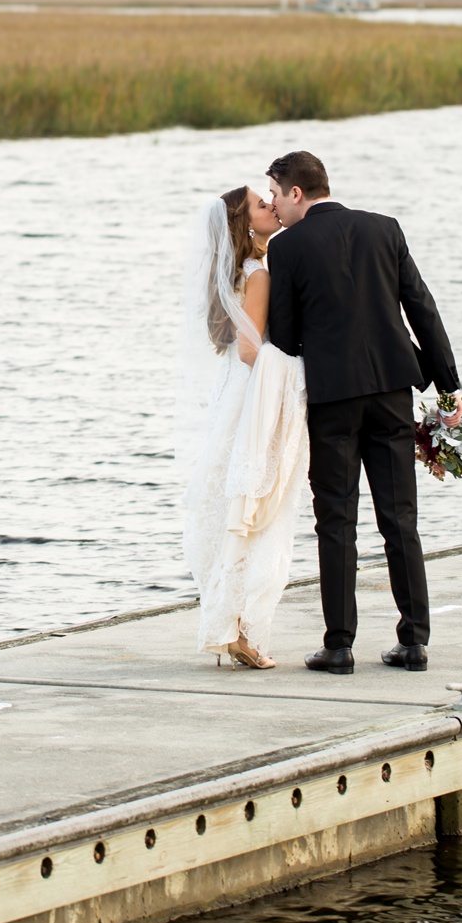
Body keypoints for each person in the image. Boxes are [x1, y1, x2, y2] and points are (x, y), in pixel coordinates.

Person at [265, 150, 460, 676]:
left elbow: (282, 337)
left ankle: (339, 645)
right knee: (400, 517)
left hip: (333, 398)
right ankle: (414, 641)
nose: (274, 207)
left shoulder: (286, 248)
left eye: (277, 195)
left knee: (337, 520)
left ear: (298, 192)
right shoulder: (384, 229)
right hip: (393, 389)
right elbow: (422, 306)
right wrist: (449, 387)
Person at [176, 185, 308, 669]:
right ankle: (241, 630)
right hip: (252, 396)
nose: (271, 206)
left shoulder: (232, 274)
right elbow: (253, 349)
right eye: (260, 203)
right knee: (259, 507)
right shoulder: (257, 275)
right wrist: (300, 366)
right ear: (245, 224)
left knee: (235, 503)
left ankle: (228, 623)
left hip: (231, 393)